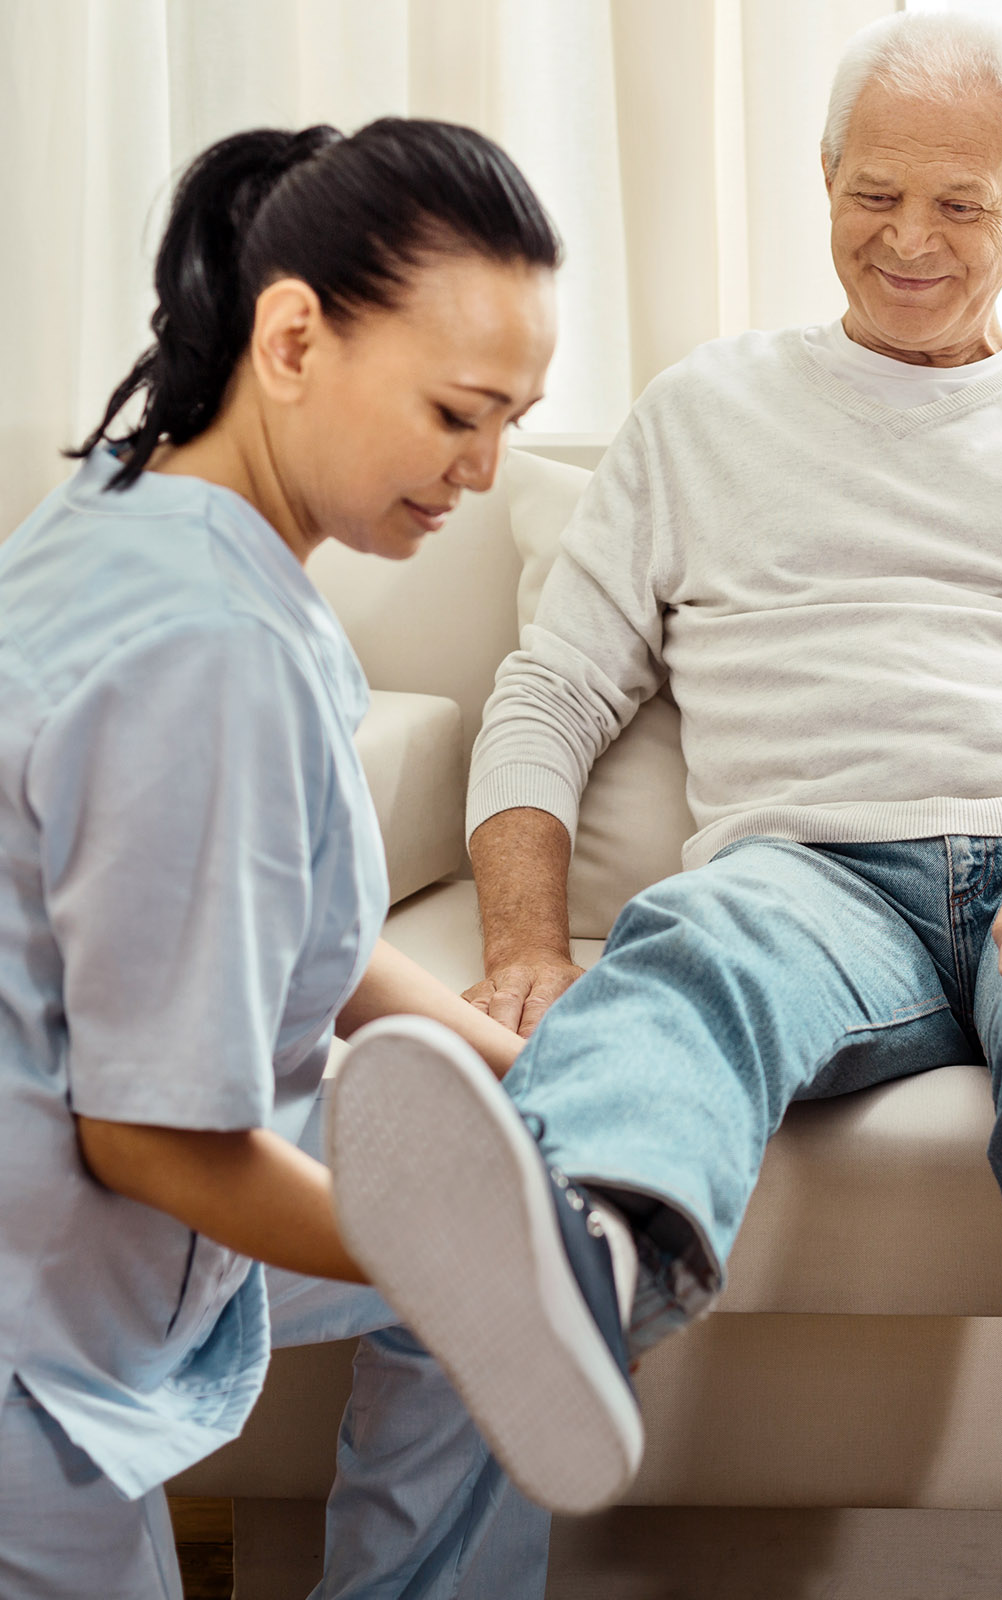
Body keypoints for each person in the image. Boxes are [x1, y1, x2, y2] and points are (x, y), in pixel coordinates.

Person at [328, 13, 1002, 1599]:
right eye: (874, 192)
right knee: (689, 959)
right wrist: (529, 937)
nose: (908, 239)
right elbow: (551, 694)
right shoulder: (702, 417)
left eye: (960, 204)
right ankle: (574, 1266)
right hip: (808, 876)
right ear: (823, 179)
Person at [0, 118, 560, 1599]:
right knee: (496, 1294)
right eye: (457, 411)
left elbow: (265, 914)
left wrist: (522, 1092)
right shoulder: (213, 648)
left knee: (505, 1270)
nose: (487, 468)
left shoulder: (145, 502)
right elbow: (153, 1137)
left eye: (514, 419)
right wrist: (480, 1269)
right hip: (33, 1315)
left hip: (85, 1219)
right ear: (295, 336)